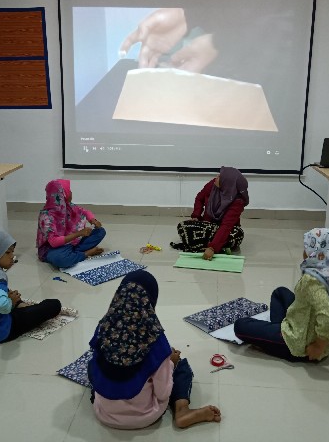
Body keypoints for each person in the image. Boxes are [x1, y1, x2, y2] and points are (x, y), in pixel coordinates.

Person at [88, 270, 222, 429]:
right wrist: (170, 363)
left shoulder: (102, 329)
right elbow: (163, 393)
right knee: (181, 366)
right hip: (145, 416)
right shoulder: (156, 341)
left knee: (95, 365)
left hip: (104, 414)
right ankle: (182, 410)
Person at [234, 228, 329, 362]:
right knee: (280, 292)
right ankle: (277, 332)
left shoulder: (312, 281)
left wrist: (319, 346)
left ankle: (280, 338)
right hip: (309, 326)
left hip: (300, 345)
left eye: (308, 249)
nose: (304, 252)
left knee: (240, 325)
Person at [0, 230, 62, 344]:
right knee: (54, 305)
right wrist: (10, 303)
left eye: (12, 252)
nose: (12, 256)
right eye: (7, 253)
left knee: (9, 295)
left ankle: (20, 305)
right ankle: (21, 305)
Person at [170, 166, 248, 260]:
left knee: (238, 235)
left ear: (227, 183)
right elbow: (199, 198)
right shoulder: (213, 185)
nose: (216, 177)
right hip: (207, 225)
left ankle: (202, 245)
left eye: (220, 177)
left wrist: (212, 248)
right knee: (182, 226)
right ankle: (217, 246)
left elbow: (226, 225)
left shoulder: (238, 202)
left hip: (226, 230)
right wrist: (196, 216)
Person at [36, 179, 106, 269]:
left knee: (100, 231)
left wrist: (93, 220)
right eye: (69, 191)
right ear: (62, 195)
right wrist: (79, 234)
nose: (71, 193)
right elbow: (54, 242)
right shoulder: (46, 216)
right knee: (60, 259)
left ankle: (73, 253)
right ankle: (85, 254)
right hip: (53, 248)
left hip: (71, 243)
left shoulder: (68, 206)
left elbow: (84, 211)